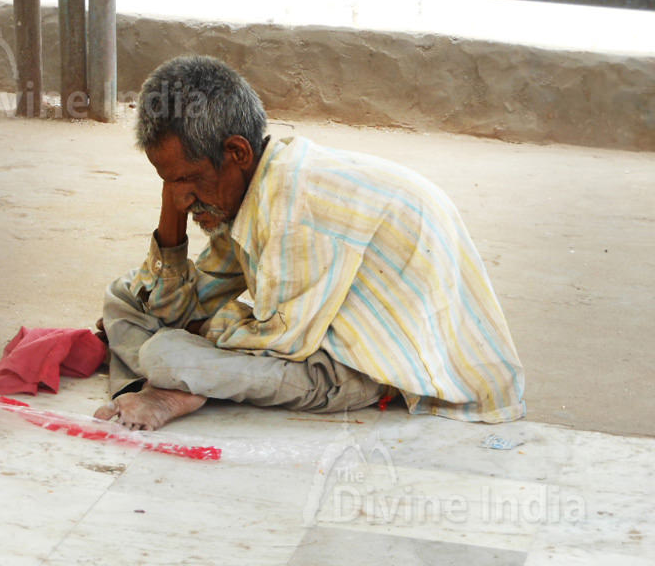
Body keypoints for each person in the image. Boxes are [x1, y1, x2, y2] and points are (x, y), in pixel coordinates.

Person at [92, 55, 525, 431]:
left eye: (188, 179)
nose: (182, 197)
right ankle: (147, 386)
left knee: (168, 353)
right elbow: (175, 306)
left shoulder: (296, 206)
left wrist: (196, 328)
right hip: (306, 336)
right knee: (125, 298)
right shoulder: (251, 188)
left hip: (361, 366)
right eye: (168, 182)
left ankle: (164, 385)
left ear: (237, 153)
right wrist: (173, 214)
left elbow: (279, 341)